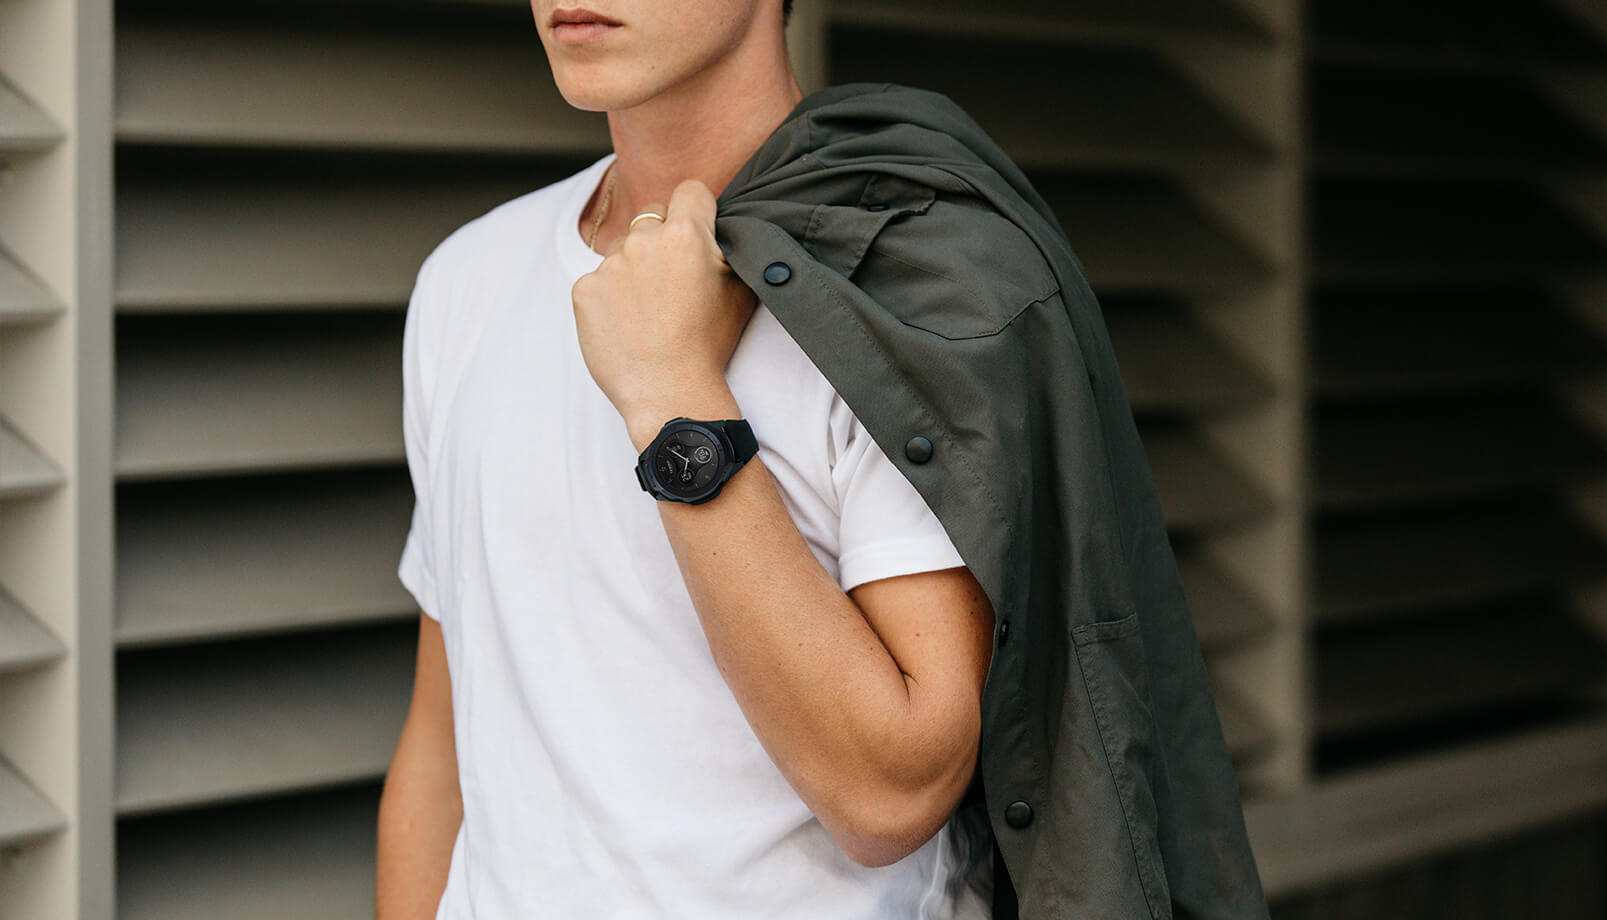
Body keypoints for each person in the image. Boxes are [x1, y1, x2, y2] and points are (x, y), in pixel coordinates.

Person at [375, 1, 1002, 917]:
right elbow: (443, 749)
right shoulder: (466, 278)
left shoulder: (902, 288)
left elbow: (894, 796)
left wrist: (673, 396)